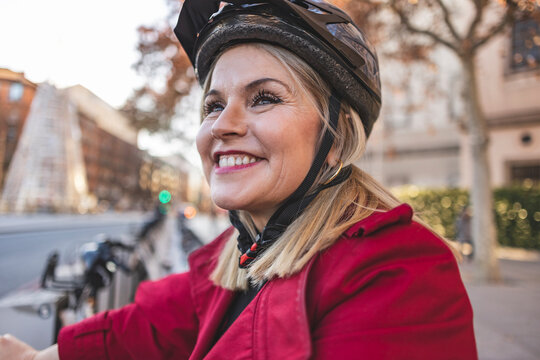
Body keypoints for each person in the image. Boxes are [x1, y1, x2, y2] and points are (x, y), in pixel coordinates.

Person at [0, 0, 478, 359]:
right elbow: (146, 324)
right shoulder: (234, 259)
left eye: (264, 97)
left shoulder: (398, 277)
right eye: (213, 105)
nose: (221, 126)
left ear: (333, 137)